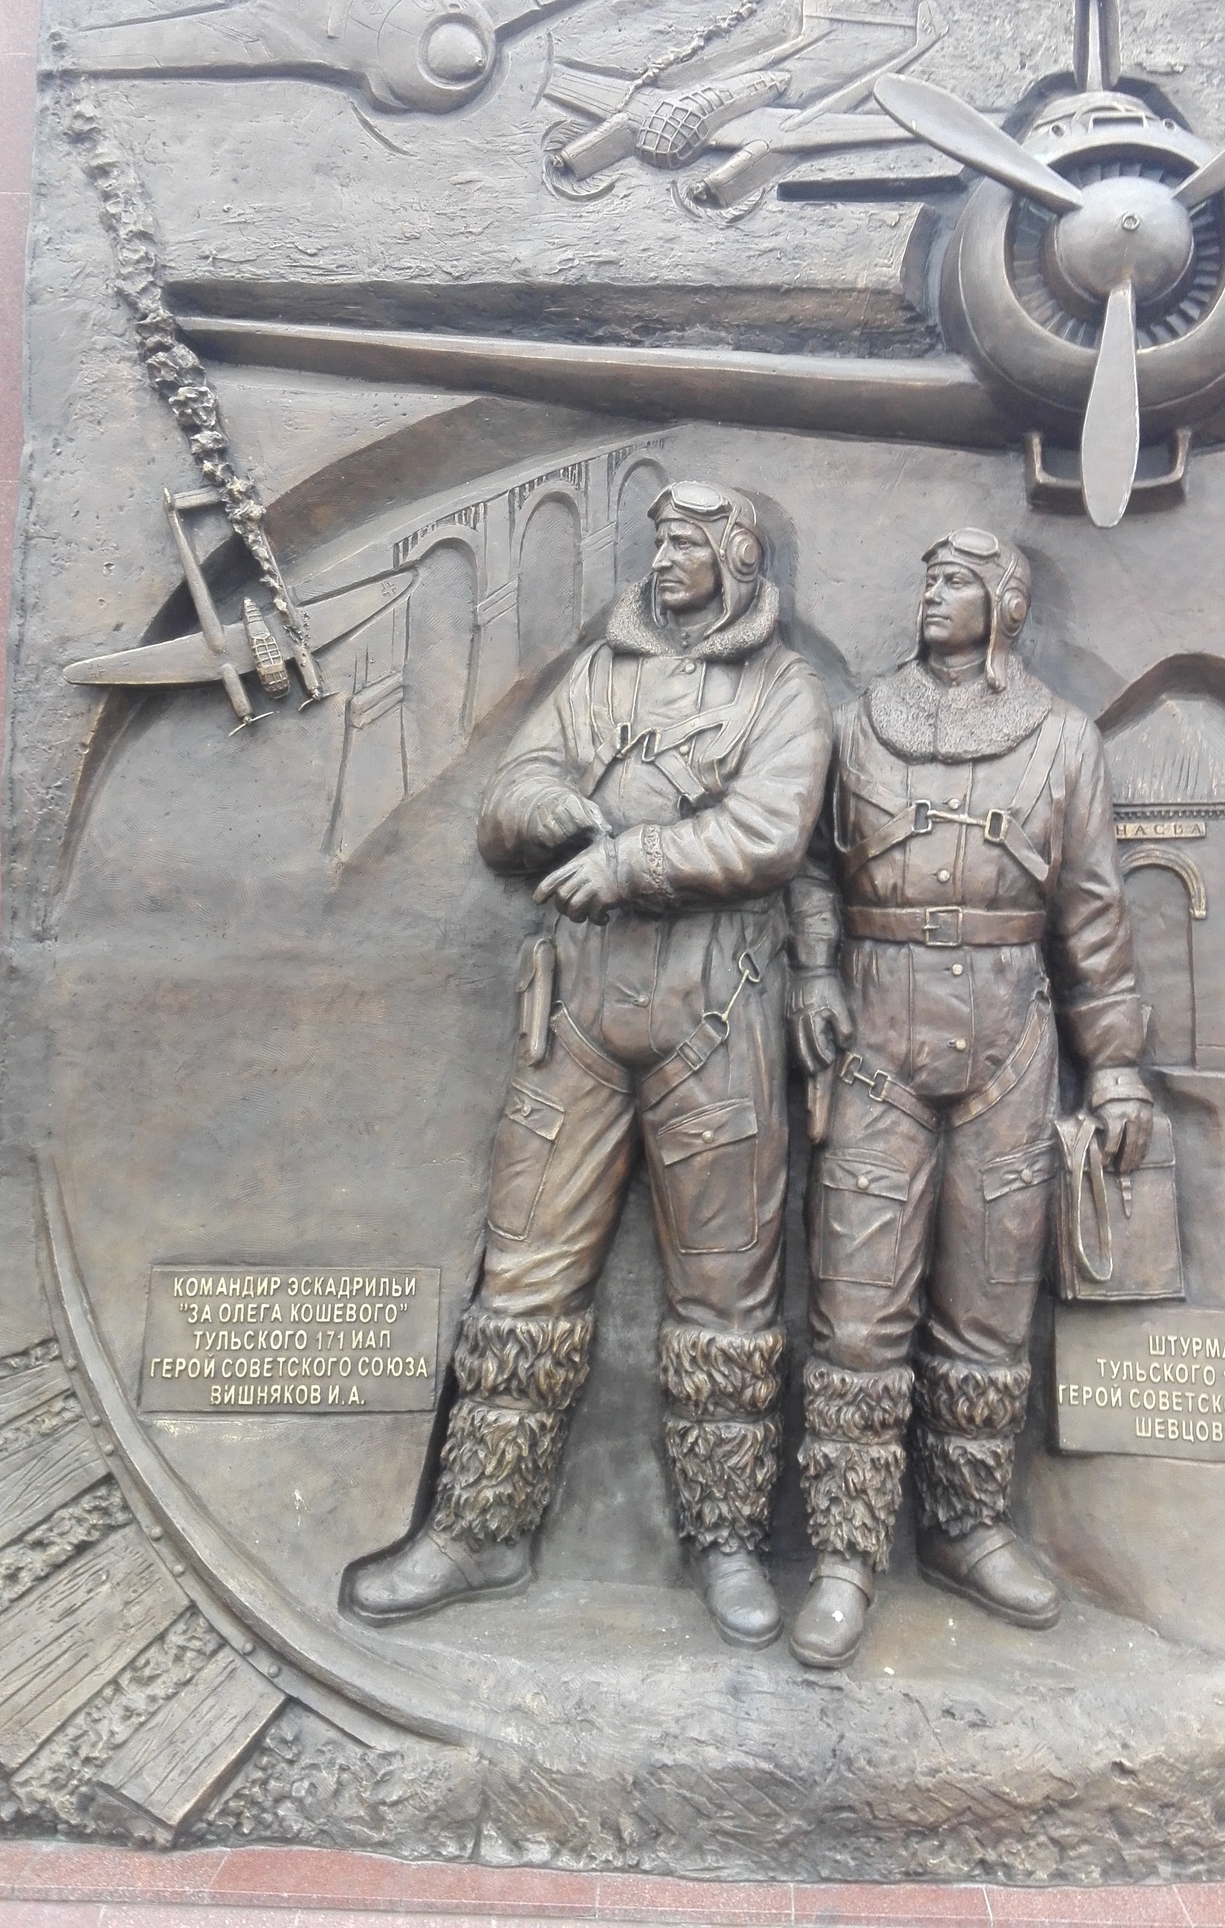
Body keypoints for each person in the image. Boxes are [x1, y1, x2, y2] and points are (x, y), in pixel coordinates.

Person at [343, 481, 832, 1648]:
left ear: (736, 557)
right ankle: (480, 1524)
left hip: (714, 1012)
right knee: (524, 1272)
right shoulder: (600, 673)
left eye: (685, 544)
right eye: (654, 541)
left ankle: (724, 1540)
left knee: (727, 1289)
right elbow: (505, 804)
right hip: (576, 1012)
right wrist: (555, 813)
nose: (662, 560)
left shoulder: (786, 690)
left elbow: (771, 834)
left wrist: (633, 861)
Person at [784, 527, 1152, 1669]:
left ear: (1003, 605)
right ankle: (846, 1548)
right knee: (856, 1298)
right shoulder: (859, 722)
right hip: (877, 1028)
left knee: (989, 1300)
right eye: (926, 578)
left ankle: (963, 1526)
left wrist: (1120, 1066)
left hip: (1009, 1035)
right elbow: (806, 868)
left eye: (955, 582)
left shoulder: (1062, 742)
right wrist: (811, 967)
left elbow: (1092, 919)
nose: (931, 596)